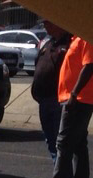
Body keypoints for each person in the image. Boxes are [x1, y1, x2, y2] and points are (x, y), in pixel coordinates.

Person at [32, 33, 93, 178]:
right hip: (75, 98)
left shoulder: (88, 39)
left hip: (79, 99)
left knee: (63, 142)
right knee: (78, 143)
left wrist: (74, 93)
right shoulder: (77, 39)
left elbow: (90, 66)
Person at [31, 22, 72, 164]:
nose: (45, 27)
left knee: (59, 139)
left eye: (48, 23)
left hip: (59, 99)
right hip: (43, 98)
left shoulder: (69, 44)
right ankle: (58, 175)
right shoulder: (48, 44)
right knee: (50, 139)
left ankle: (63, 177)